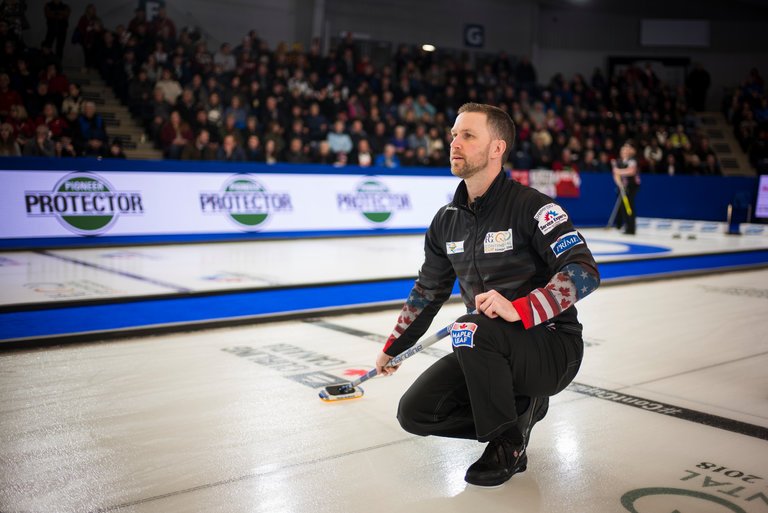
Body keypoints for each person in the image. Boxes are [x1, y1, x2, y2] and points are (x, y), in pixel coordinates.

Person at [373, 103, 599, 488]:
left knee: (468, 328)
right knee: (415, 413)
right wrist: (394, 345)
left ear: (497, 148)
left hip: (551, 348)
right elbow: (428, 290)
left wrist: (521, 308)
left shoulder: (533, 207)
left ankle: (507, 443)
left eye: (467, 136)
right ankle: (519, 414)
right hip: (486, 347)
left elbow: (584, 272)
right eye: (453, 135)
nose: (454, 144)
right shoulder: (446, 220)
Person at [611, 140, 640, 235]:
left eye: (626, 151)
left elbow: (631, 171)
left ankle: (631, 228)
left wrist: (618, 171)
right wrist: (620, 185)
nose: (624, 153)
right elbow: (616, 176)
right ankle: (627, 226)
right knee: (623, 207)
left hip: (632, 186)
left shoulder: (632, 160)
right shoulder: (620, 161)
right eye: (623, 151)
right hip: (623, 187)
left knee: (629, 206)